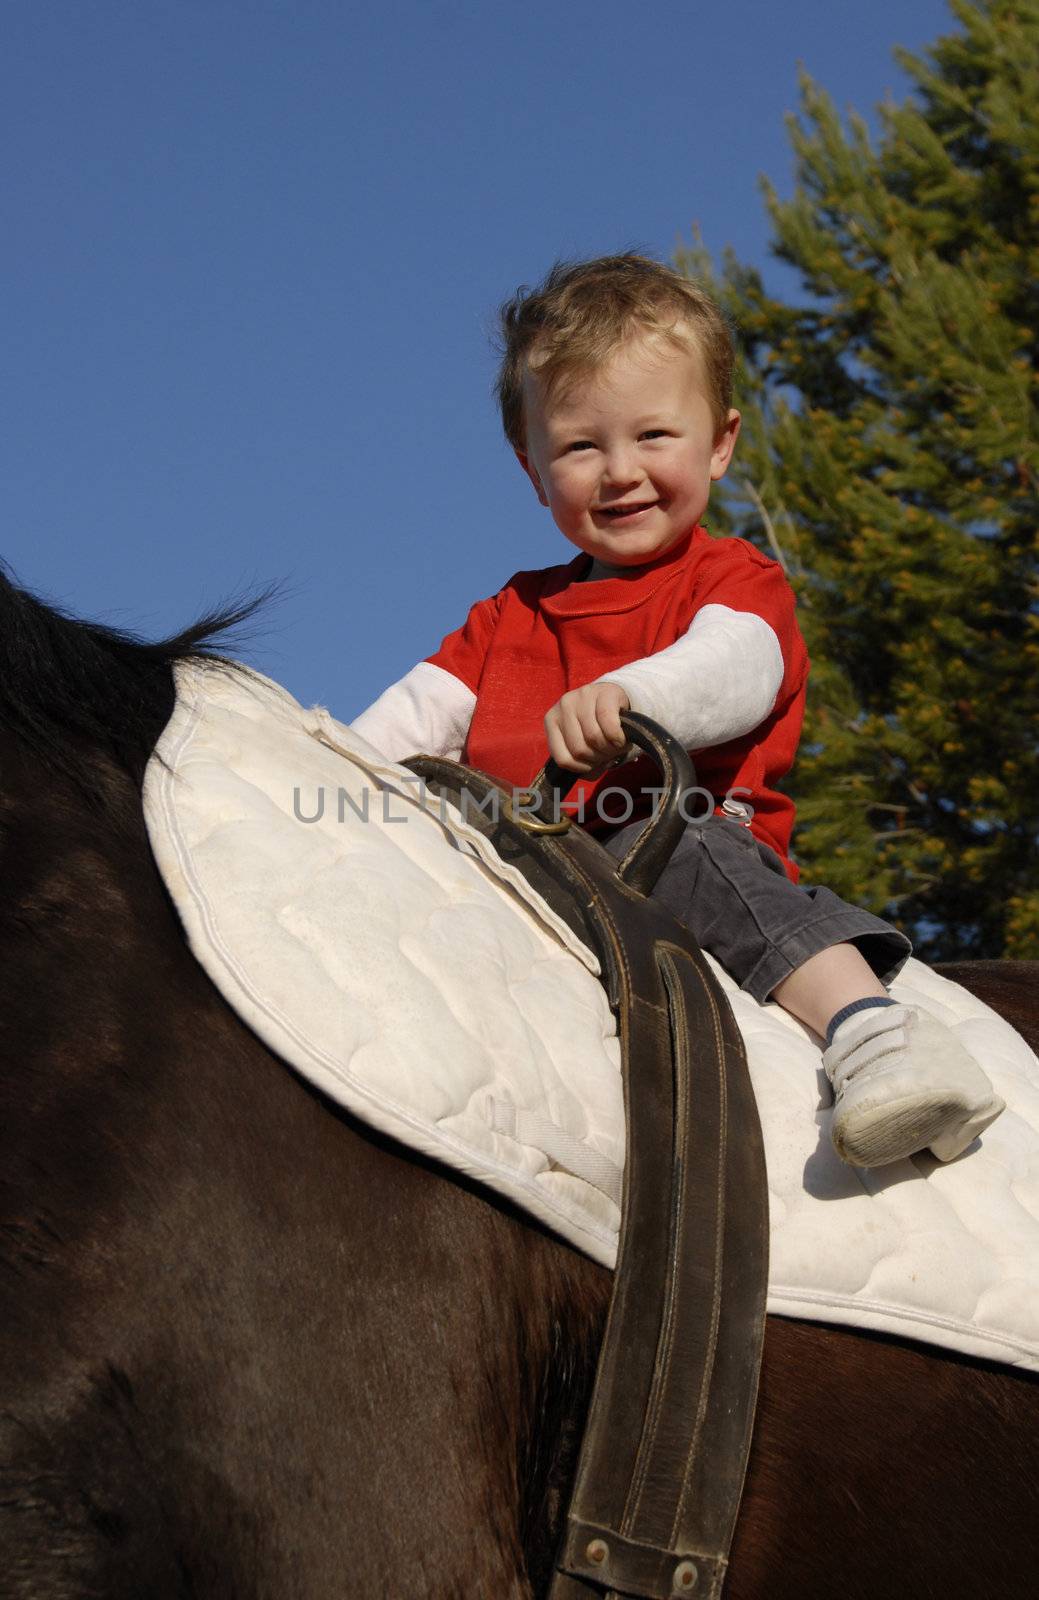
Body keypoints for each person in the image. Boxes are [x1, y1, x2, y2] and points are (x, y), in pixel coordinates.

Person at [353, 253, 1004, 1169]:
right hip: (529, 866)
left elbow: (737, 665)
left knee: (681, 853)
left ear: (720, 442)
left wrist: (634, 701)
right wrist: (317, 775)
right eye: (580, 446)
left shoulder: (731, 579)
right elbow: (409, 722)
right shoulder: (508, 615)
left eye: (654, 435)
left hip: (666, 836)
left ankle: (875, 1032)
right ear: (532, 468)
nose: (620, 472)